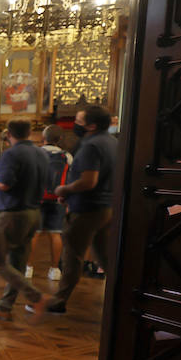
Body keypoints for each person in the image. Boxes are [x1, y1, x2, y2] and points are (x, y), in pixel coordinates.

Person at [43, 105, 118, 314]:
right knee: (104, 254)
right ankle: (122, 295)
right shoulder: (113, 142)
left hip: (87, 208)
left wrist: (64, 189)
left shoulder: (91, 145)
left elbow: (88, 181)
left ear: (91, 125)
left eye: (79, 120)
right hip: (106, 207)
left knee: (72, 254)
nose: (75, 124)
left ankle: (59, 299)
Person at [0, 120, 48, 320]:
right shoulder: (41, 153)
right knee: (17, 264)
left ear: (8, 134)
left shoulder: (12, 153)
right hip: (34, 212)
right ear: (30, 132)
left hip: (12, 213)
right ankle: (4, 307)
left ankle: (36, 296)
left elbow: (5, 184)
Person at [37, 125, 72, 281]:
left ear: (43, 138)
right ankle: (54, 269)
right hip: (58, 198)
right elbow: (72, 178)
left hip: (37, 198)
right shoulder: (67, 156)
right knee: (55, 234)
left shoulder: (36, 153)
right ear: (59, 139)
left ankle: (28, 268)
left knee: (34, 234)